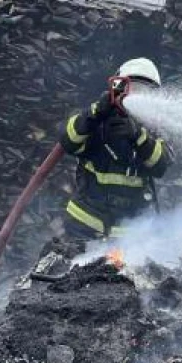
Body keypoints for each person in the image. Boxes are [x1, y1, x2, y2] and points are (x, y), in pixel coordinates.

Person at [59, 58, 171, 240]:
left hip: (129, 232)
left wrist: (138, 136)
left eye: (145, 92)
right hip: (84, 223)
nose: (137, 96)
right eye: (132, 88)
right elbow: (68, 141)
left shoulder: (154, 129)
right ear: (118, 87)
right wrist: (94, 114)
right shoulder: (97, 118)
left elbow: (161, 165)